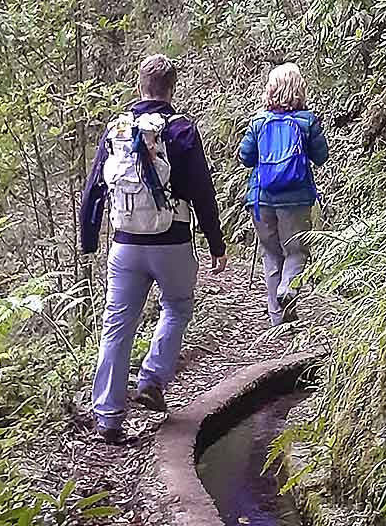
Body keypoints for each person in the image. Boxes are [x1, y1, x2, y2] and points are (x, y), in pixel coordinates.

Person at [80, 54, 227, 444]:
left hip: (125, 245)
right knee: (177, 307)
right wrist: (216, 243)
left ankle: (108, 417)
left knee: (117, 326)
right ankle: (152, 377)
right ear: (171, 88)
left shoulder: (118, 131)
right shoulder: (181, 130)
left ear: (140, 85)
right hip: (173, 241)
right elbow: (202, 190)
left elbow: (95, 186)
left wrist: (89, 238)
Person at [238, 62, 329, 326]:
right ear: (299, 89)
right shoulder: (307, 121)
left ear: (271, 89)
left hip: (261, 199)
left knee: (272, 254)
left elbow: (246, 157)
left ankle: (278, 318)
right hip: (297, 200)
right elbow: (321, 156)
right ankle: (288, 290)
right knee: (296, 252)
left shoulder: (258, 122)